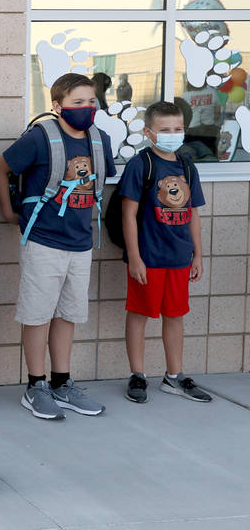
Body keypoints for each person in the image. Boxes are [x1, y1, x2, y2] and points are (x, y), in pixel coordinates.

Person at [0, 73, 116, 420]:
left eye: (91, 101)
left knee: (68, 314)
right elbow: (0, 168)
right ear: (58, 105)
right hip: (43, 241)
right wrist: (6, 210)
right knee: (37, 314)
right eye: (78, 102)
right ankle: (36, 386)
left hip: (80, 243)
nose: (87, 108)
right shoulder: (40, 138)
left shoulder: (99, 139)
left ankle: (62, 383)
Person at [119, 101, 211, 403]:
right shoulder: (141, 165)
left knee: (175, 315)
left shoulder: (186, 165)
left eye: (178, 129)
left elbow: (194, 213)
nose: (173, 134)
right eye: (165, 130)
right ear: (149, 132)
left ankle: (174, 376)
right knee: (139, 314)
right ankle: (138, 375)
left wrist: (198, 254)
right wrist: (134, 257)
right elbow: (128, 215)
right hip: (150, 257)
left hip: (180, 258)